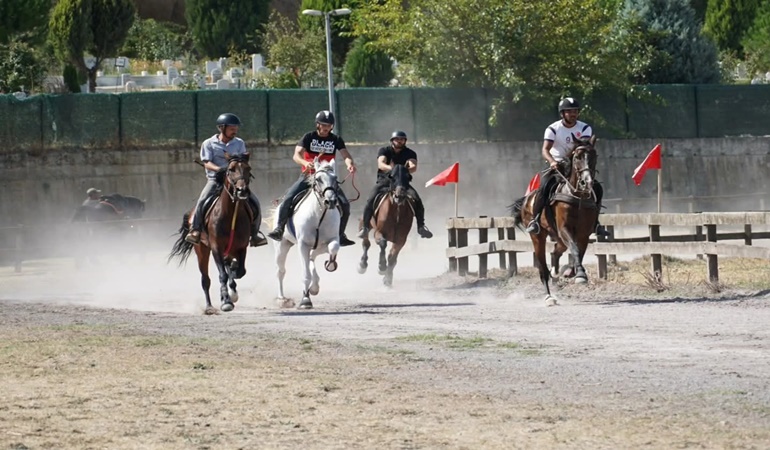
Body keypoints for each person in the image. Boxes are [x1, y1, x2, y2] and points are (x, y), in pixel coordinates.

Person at [266, 110, 357, 246]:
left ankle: (340, 234)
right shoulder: (308, 137)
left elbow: (346, 155)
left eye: (329, 125)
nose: (327, 127)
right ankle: (279, 229)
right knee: (288, 198)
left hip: (327, 178)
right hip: (308, 176)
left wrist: (350, 164)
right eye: (324, 124)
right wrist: (305, 163)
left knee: (344, 204)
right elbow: (296, 155)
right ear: (318, 125)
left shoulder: (336, 139)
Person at [525, 97, 609, 237]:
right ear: (562, 114)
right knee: (544, 187)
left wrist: (572, 159)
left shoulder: (584, 128)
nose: (573, 114)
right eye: (569, 111)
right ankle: (535, 220)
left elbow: (584, 147)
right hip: (557, 165)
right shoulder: (553, 129)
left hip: (577, 164)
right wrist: (552, 161)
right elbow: (545, 150)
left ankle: (596, 223)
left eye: (575, 111)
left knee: (597, 188)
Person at [185, 113, 267, 247]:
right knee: (202, 200)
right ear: (222, 128)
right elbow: (206, 162)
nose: (235, 130)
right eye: (232, 127)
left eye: (236, 127)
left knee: (255, 202)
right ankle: (196, 230)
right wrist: (219, 170)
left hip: (235, 180)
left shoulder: (239, 143)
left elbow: (242, 160)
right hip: (215, 180)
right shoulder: (209, 143)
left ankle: (255, 234)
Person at [357, 130, 433, 239]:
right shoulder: (384, 150)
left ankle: (421, 227)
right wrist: (394, 169)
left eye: (402, 139)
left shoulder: (410, 153)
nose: (399, 141)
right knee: (371, 199)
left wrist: (403, 169)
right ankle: (365, 228)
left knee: (417, 199)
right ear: (392, 141)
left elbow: (413, 166)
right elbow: (381, 164)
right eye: (397, 139)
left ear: (405, 141)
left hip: (402, 184)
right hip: (384, 182)